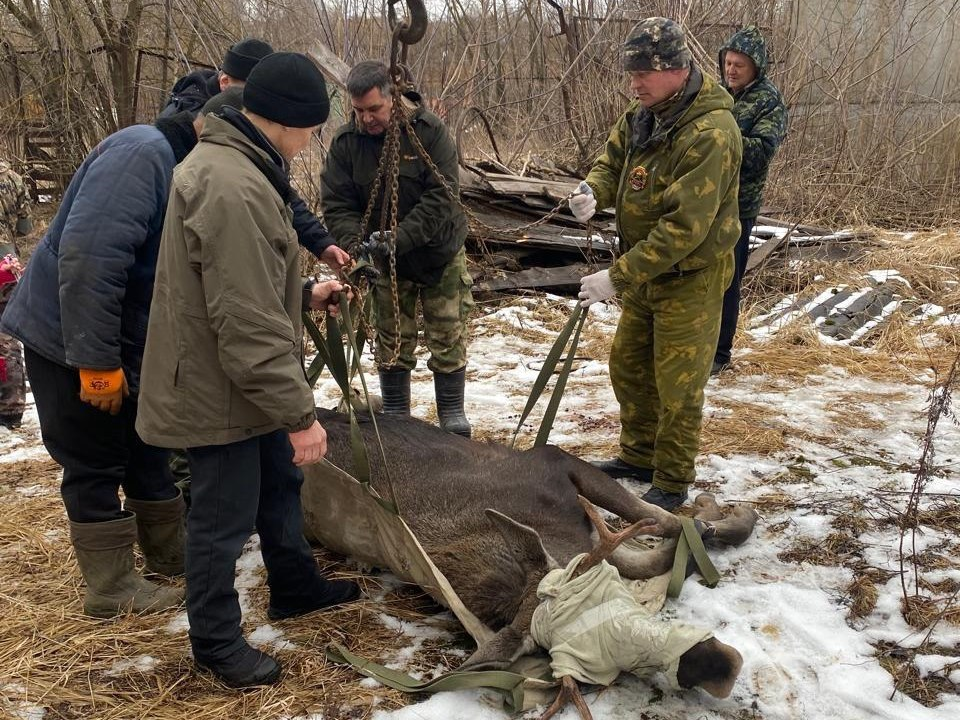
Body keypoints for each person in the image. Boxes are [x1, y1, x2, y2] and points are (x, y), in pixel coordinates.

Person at [136, 52, 361, 689]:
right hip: (219, 390)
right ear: (289, 121)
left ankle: (293, 584)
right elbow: (243, 320)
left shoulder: (243, 165)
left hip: (240, 377)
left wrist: (302, 293)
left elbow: (242, 286)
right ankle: (214, 643)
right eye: (311, 128)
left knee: (278, 486)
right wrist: (299, 416)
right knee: (220, 519)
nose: (312, 140)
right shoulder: (232, 184)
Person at [0, 109, 205, 617]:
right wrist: (94, 363)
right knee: (92, 459)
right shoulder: (143, 153)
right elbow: (91, 261)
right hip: (68, 338)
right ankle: (110, 588)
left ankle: (166, 552)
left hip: (121, 338)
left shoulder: (179, 164)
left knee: (145, 445)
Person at [571, 18, 743, 511]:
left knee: (679, 384)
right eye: (631, 72)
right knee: (629, 366)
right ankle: (639, 456)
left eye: (642, 72)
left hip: (689, 277)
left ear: (674, 68)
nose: (634, 82)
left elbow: (683, 231)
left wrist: (616, 276)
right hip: (646, 272)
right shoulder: (644, 111)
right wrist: (593, 191)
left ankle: (671, 478)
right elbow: (612, 160)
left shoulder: (711, 132)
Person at [320, 60, 473, 437]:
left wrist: (399, 238)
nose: (367, 119)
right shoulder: (346, 144)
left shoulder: (428, 132)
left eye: (375, 109)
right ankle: (396, 418)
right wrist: (357, 247)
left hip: (438, 250)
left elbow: (443, 195)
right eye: (359, 111)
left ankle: (452, 414)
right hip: (383, 260)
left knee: (447, 331)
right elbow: (338, 204)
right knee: (390, 338)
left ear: (393, 97)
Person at [712, 26, 788, 375]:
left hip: (739, 205)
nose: (731, 70)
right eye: (728, 63)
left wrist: (720, 140)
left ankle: (719, 356)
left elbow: (760, 152)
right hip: (707, 200)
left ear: (756, 66)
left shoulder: (769, 101)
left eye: (739, 65)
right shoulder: (719, 94)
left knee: (727, 280)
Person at [0, 160, 32, 429]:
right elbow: (25, 228)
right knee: (7, 337)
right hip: (7, 262)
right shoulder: (13, 178)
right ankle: (11, 407)